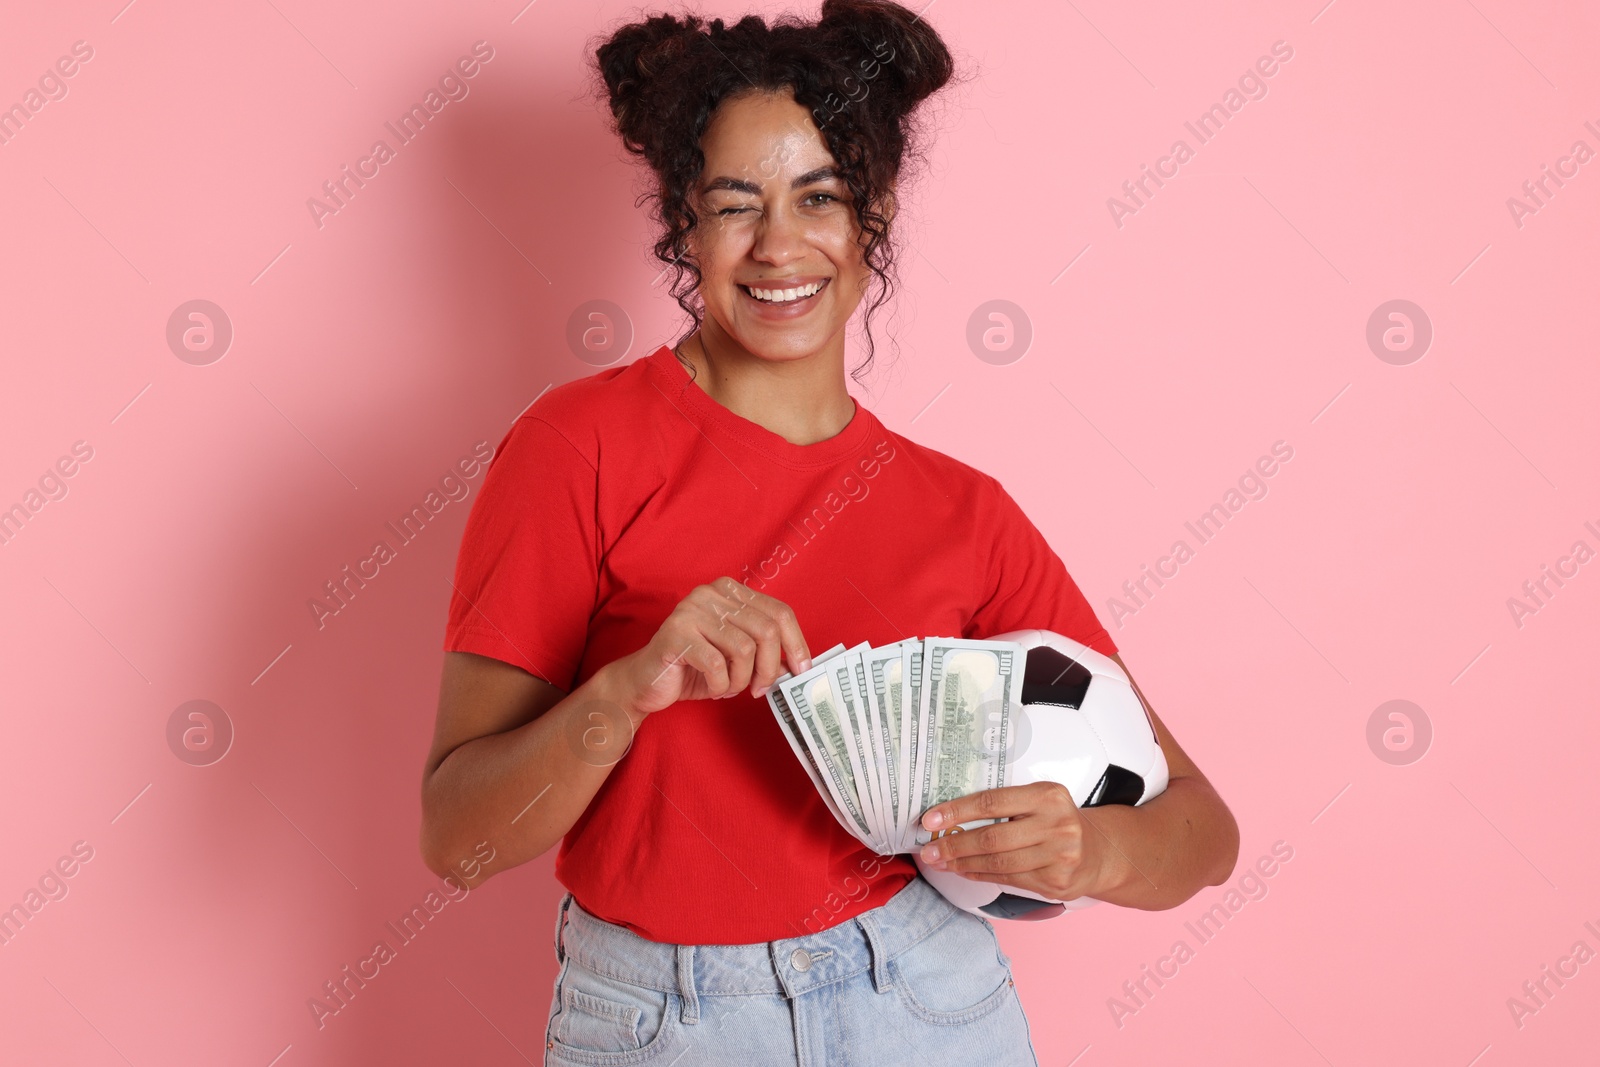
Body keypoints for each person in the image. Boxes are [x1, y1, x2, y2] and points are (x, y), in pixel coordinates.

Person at [419, 2, 1239, 1063]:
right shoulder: (575, 448)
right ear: (683, 222)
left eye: (819, 196)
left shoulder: (963, 512)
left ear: (872, 217)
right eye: (732, 205)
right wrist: (624, 688)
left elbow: (1202, 830)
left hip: (928, 1003)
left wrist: (1092, 847)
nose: (777, 246)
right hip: (664, 1019)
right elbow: (460, 840)